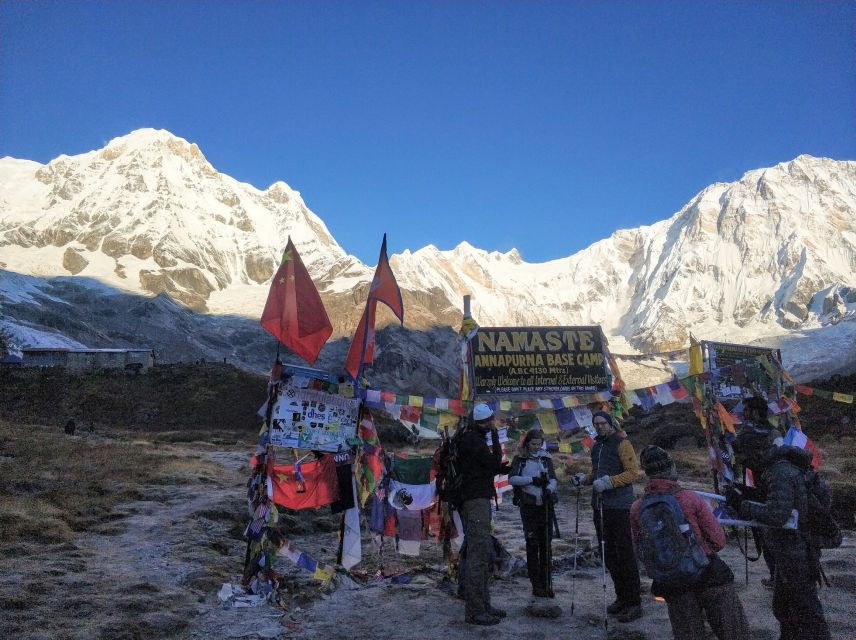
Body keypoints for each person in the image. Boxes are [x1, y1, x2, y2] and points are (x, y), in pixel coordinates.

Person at [630, 446, 749, 640]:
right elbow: (718, 541)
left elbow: (640, 549)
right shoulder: (689, 498)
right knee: (734, 632)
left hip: (672, 583)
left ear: (647, 473)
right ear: (671, 468)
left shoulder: (637, 508)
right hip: (708, 575)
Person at [727, 441, 832, 640]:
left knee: (807, 611)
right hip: (790, 551)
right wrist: (748, 495)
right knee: (785, 608)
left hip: (796, 551)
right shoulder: (778, 469)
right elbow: (780, 502)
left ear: (755, 452)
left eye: (743, 457)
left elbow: (777, 515)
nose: (742, 463)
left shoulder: (780, 472)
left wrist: (742, 505)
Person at [574, 410, 642, 622]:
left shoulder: (622, 443)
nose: (600, 426)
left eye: (603, 423)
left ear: (611, 423)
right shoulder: (596, 446)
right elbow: (597, 473)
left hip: (619, 505)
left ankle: (634, 602)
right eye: (596, 424)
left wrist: (610, 482)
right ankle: (621, 597)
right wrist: (585, 480)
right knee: (608, 553)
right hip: (600, 505)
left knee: (625, 553)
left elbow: (632, 472)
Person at [456, 402, 508, 626]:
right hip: (475, 500)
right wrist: (496, 439)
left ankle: (484, 604)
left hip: (476, 499)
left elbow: (486, 467)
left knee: (483, 552)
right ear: (485, 422)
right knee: (478, 556)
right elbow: (493, 464)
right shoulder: (473, 441)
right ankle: (475, 611)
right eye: (490, 422)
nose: (492, 424)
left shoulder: (469, 437)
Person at [508, 428, 558, 597]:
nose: (536, 447)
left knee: (546, 545)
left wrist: (550, 489)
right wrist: (532, 480)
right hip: (528, 506)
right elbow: (512, 478)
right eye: (533, 444)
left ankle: (546, 582)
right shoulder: (520, 459)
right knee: (532, 544)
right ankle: (536, 584)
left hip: (545, 505)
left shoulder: (546, 458)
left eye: (539, 444)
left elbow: (553, 478)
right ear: (527, 443)